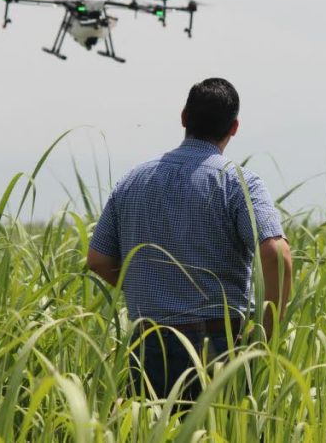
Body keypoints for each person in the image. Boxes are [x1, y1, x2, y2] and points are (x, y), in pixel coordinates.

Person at [86, 77, 293, 403]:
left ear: (184, 117)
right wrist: (265, 335)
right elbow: (277, 253)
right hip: (218, 344)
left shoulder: (132, 180)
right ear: (234, 127)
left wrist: (150, 286)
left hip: (149, 341)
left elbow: (98, 259)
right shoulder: (239, 182)